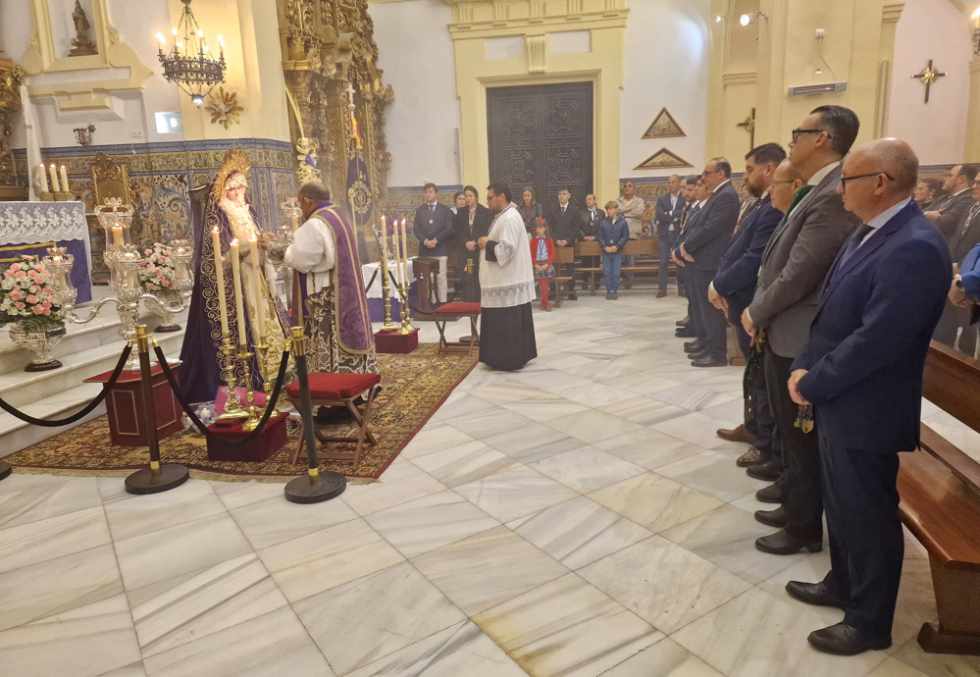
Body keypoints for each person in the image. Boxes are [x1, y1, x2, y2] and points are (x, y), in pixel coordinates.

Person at [785, 139, 951, 656]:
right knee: (843, 504)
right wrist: (804, 363)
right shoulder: (870, 231)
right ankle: (843, 582)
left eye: (848, 180)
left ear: (880, 183)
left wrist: (815, 380)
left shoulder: (915, 246)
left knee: (870, 512)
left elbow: (879, 340)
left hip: (869, 405)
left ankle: (869, 620)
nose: (839, 190)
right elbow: (832, 312)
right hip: (841, 397)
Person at [742, 105, 861, 555]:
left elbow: (800, 271)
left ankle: (803, 528)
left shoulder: (831, 193)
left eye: (800, 131)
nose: (792, 138)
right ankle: (796, 510)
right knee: (791, 439)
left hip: (799, 334)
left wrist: (757, 310)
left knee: (800, 437)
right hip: (783, 328)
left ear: (823, 139)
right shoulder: (818, 190)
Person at [179, 151, 287, 403]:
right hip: (236, 281)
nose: (239, 193)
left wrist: (264, 242)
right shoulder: (219, 214)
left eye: (242, 187)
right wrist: (252, 245)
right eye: (233, 188)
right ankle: (248, 380)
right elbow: (220, 254)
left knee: (267, 321)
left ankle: (275, 371)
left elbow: (254, 237)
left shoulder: (248, 210)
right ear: (224, 190)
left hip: (256, 276)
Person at [709, 145, 788, 472]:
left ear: (769, 169)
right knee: (751, 372)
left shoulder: (773, 209)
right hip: (739, 298)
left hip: (749, 301)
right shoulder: (761, 204)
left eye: (750, 168)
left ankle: (763, 440)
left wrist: (719, 285)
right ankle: (752, 425)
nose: (746, 175)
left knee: (759, 375)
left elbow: (753, 258)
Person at [283, 181, 377, 376]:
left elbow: (303, 260)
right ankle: (357, 380)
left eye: (300, 204)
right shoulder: (339, 215)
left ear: (309, 201)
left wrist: (279, 249)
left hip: (326, 295)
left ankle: (335, 385)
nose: (300, 209)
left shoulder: (316, 223)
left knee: (329, 336)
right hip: (343, 289)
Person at [679, 158, 739, 367]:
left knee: (711, 309)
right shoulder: (719, 195)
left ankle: (716, 353)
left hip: (710, 260)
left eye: (707, 173)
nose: (703, 177)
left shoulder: (727, 196)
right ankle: (706, 343)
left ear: (721, 173)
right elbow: (700, 225)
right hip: (702, 259)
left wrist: (687, 247)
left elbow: (711, 228)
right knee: (703, 308)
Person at [478, 182, 537, 371]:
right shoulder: (504, 216)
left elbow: (506, 249)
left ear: (501, 197)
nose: (487, 201)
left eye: (489, 197)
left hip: (506, 281)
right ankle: (503, 357)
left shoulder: (510, 217)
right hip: (504, 281)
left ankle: (507, 359)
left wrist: (485, 243)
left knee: (506, 323)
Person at [933, 174, 980, 355]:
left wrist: (961, 268)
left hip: (970, 277)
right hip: (954, 269)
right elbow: (957, 238)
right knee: (945, 325)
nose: (974, 186)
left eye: (978, 183)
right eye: (975, 181)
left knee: (968, 331)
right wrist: (950, 261)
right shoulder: (971, 206)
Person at [674, 177, 707, 339]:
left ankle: (698, 329)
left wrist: (684, 249)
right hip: (684, 254)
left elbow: (696, 233)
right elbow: (683, 230)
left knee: (696, 297)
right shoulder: (689, 207)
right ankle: (693, 324)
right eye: (684, 189)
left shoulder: (700, 209)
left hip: (693, 256)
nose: (685, 193)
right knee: (690, 294)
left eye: (689, 189)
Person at [413, 182, 455, 303]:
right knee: (428, 278)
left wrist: (436, 240)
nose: (428, 194)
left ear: (436, 193)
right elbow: (416, 229)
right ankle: (430, 303)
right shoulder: (420, 210)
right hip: (425, 250)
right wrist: (425, 241)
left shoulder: (445, 210)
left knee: (441, 277)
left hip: (440, 249)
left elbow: (449, 228)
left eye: (430, 192)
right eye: (426, 192)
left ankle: (442, 302)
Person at [452, 185, 492, 303]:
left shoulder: (485, 212)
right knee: (469, 276)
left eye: (470, 196)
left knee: (480, 277)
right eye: (466, 196)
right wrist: (466, 242)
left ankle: (482, 303)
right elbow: (457, 232)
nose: (468, 198)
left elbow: (487, 230)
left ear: (476, 197)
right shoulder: (461, 213)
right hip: (467, 254)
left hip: (479, 252)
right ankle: (470, 304)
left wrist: (475, 242)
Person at [924, 164, 977, 242]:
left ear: (961, 179)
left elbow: (945, 224)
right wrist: (928, 215)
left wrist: (929, 216)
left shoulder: (968, 199)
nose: (944, 179)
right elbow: (919, 213)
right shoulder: (943, 198)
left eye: (949, 176)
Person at [548, 188, 584, 300]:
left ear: (569, 196)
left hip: (569, 244)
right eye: (560, 194)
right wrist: (555, 240)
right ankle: (553, 291)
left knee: (570, 268)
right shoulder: (552, 209)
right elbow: (549, 227)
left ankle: (571, 291)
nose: (562, 196)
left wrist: (567, 240)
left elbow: (576, 228)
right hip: (556, 244)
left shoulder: (575, 210)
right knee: (553, 268)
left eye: (564, 194)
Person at [655, 175, 686, 298]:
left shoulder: (684, 198)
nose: (670, 184)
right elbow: (659, 215)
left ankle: (682, 289)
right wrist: (674, 215)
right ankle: (662, 289)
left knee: (680, 262)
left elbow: (683, 212)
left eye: (673, 182)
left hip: (678, 235)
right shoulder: (662, 199)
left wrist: (669, 213)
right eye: (668, 182)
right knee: (663, 262)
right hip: (664, 235)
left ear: (678, 183)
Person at [599, 201, 629, 300]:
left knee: (616, 272)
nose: (610, 211)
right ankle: (609, 290)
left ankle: (614, 290)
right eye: (608, 209)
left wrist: (617, 246)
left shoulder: (622, 222)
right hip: (606, 251)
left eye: (612, 209)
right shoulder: (603, 222)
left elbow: (625, 236)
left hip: (617, 251)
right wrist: (605, 246)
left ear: (616, 210)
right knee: (607, 272)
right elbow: (600, 237)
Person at [529, 218, 556, 311]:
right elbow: (531, 255)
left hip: (547, 265)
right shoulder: (533, 241)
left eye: (541, 228)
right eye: (538, 228)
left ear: (545, 228)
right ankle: (545, 303)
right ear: (535, 229)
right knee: (542, 285)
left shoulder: (549, 240)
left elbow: (552, 254)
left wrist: (547, 264)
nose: (539, 230)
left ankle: (544, 303)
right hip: (537, 265)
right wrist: (535, 265)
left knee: (545, 284)